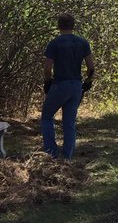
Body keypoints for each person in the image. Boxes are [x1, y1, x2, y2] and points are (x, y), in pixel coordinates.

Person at [41, 13, 96, 160]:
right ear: (73, 26)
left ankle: (51, 153)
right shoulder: (83, 43)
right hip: (76, 86)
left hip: (60, 84)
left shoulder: (54, 43)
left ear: (58, 26)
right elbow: (91, 67)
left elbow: (47, 69)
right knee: (69, 122)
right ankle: (66, 158)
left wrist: (47, 83)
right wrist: (88, 81)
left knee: (46, 117)